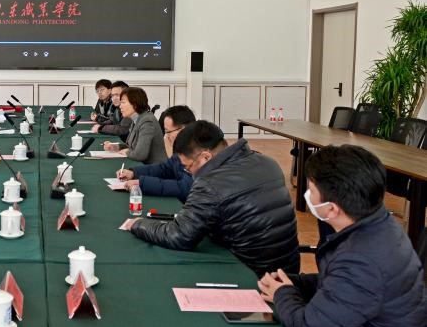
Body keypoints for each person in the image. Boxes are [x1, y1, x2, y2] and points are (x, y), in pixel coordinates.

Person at [258, 145, 427, 327]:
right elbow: (343, 286)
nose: (306, 194)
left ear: (332, 208)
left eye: (311, 190)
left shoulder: (362, 259)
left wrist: (282, 294)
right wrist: (295, 283)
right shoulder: (376, 225)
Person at [121, 120, 299, 276]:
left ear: (206, 157)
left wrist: (138, 224)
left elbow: (178, 236)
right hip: (288, 271)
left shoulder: (210, 183)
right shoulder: (268, 162)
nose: (188, 172)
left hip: (250, 274)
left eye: (188, 167)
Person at [116, 105, 195, 200]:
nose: (166, 136)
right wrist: (133, 173)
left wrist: (142, 183)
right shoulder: (181, 149)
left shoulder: (198, 153)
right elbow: (164, 169)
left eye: (169, 132)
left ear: (183, 129)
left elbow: (184, 187)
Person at [102, 87, 166, 165]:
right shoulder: (137, 119)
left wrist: (127, 152)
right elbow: (132, 146)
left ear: (135, 104)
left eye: (123, 102)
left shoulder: (147, 122)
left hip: (152, 168)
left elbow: (140, 155)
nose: (120, 106)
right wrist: (116, 147)